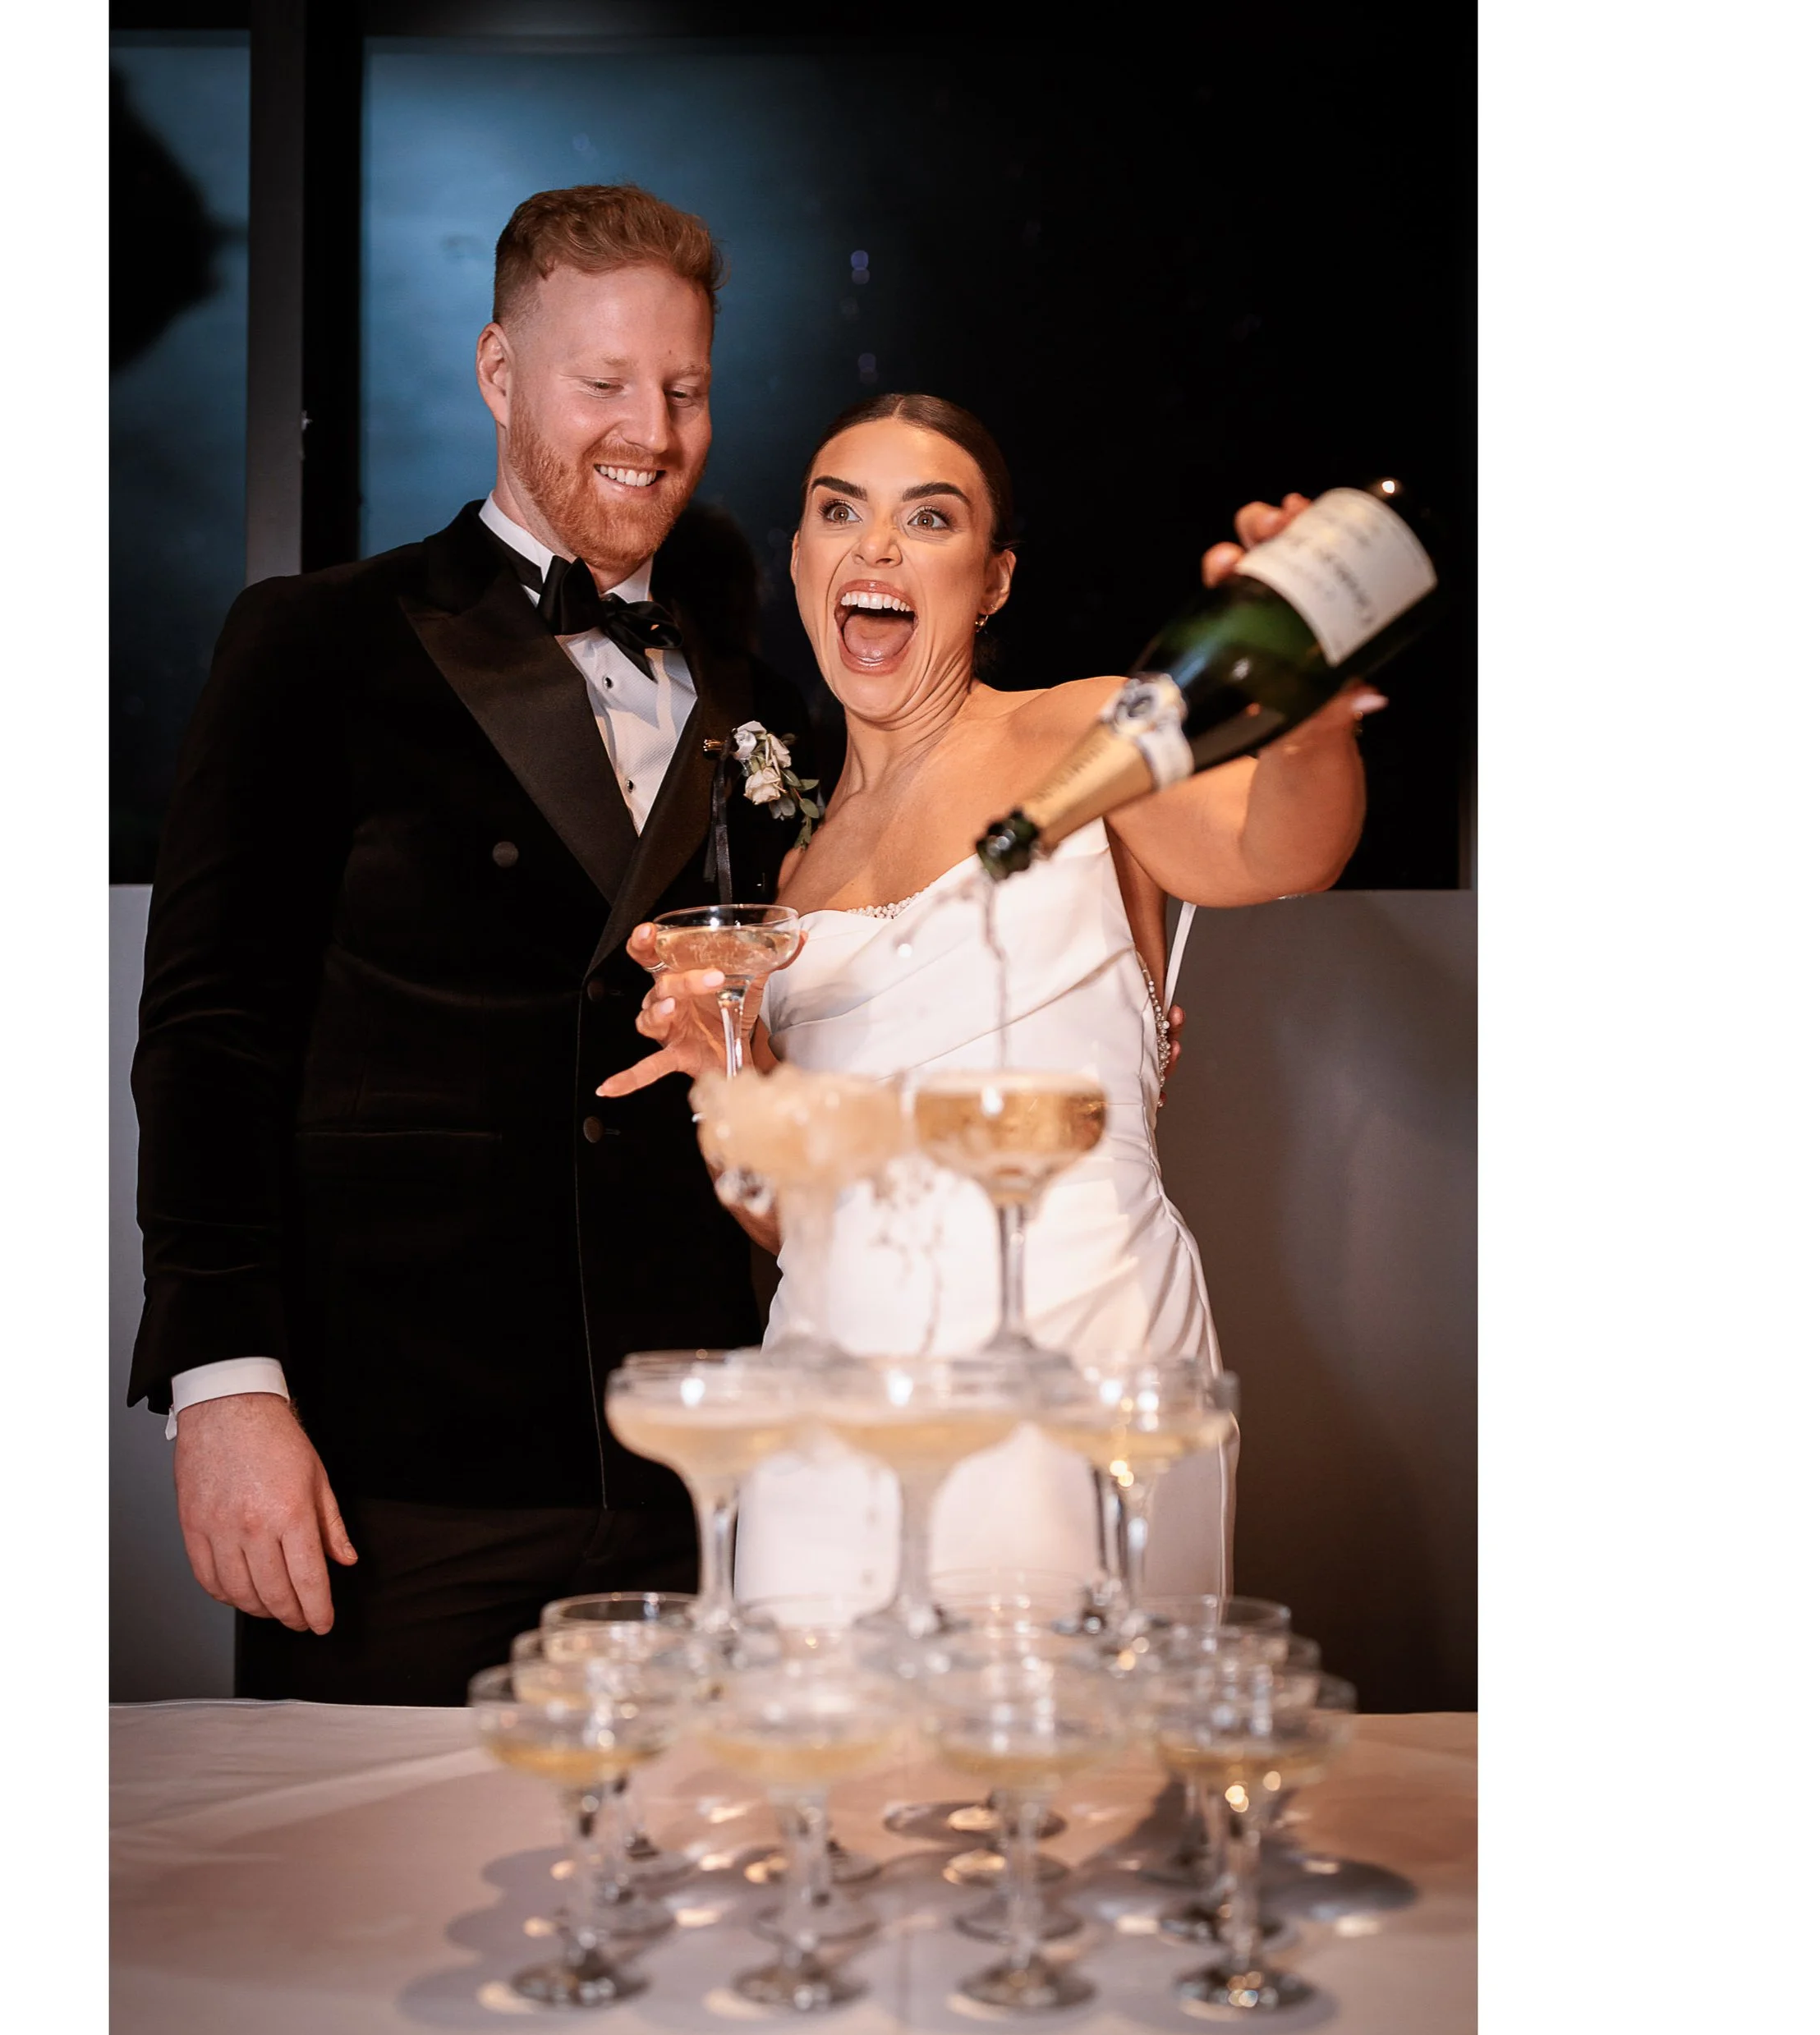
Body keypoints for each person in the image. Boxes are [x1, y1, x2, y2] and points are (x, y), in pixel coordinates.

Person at [128, 185, 813, 1705]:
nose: (652, 427)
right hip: (395, 1469)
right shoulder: (309, 641)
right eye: (604, 383)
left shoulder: (772, 699)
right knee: (358, 1922)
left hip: (695, 1454)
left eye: (686, 388)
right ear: (501, 372)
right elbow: (208, 1034)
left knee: (688, 1917)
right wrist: (226, 1386)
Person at [601, 393, 1376, 1605]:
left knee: (1062, 1764)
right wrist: (725, 1073)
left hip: (1073, 1357)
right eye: (839, 512)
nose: (878, 549)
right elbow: (789, 1218)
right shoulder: (791, 877)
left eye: (931, 518)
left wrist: (1311, 730)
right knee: (821, 1767)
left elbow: (1278, 853)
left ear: (995, 579)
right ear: (803, 562)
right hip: (825, 1390)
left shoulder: (1083, 731)